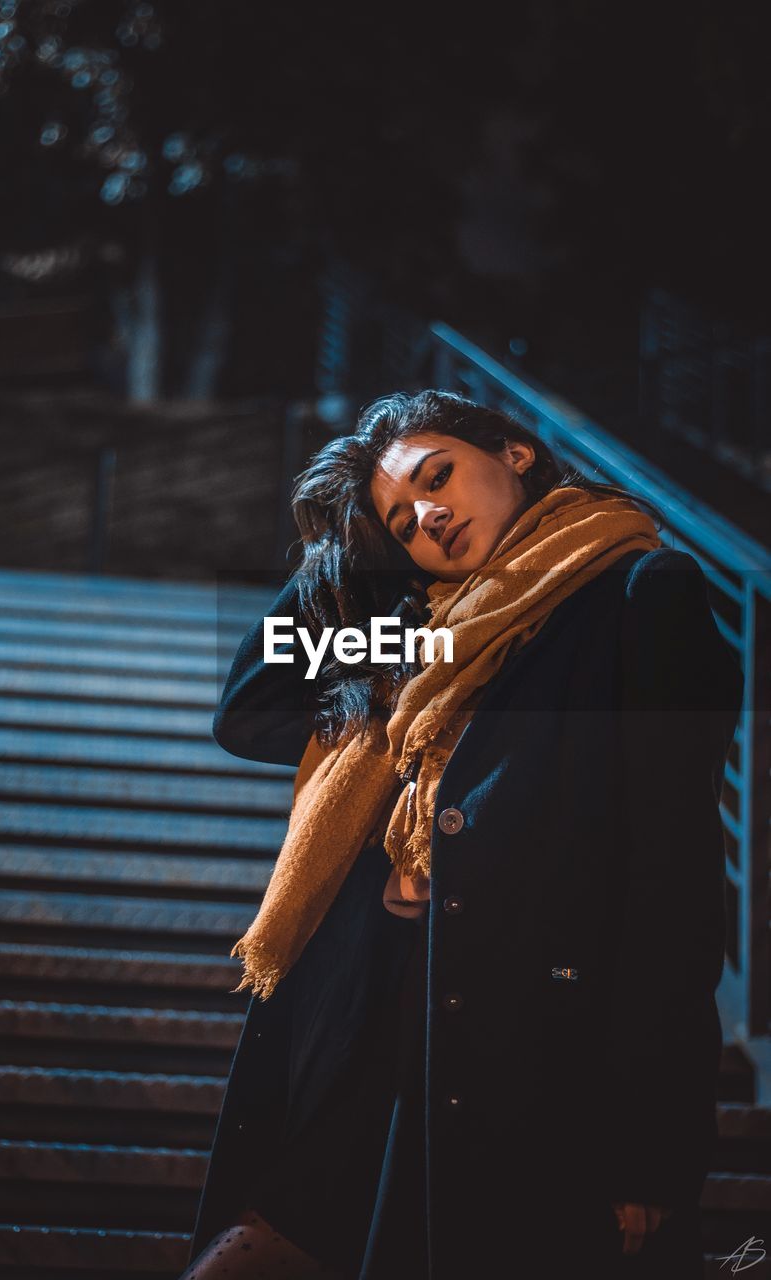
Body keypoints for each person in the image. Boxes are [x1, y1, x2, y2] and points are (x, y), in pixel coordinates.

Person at [179, 391, 744, 1279]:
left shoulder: (638, 598)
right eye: (401, 521)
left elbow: (670, 885)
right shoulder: (425, 634)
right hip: (386, 1014)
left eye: (438, 477)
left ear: (515, 453)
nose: (427, 516)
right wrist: (353, 558)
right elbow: (250, 705)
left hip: (530, 1047)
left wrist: (651, 1139)